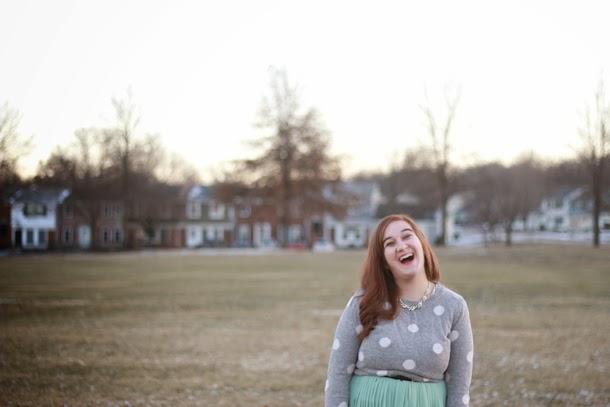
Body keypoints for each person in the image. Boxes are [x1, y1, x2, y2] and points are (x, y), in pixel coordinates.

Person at [324, 214, 473, 407]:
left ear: (421, 243)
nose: (401, 246)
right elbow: (338, 374)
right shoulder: (364, 302)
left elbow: (459, 389)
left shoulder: (454, 306)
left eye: (407, 236)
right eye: (390, 243)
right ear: (384, 261)